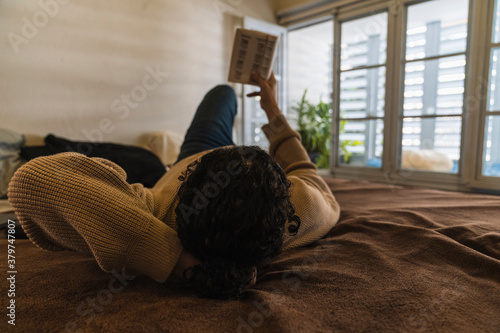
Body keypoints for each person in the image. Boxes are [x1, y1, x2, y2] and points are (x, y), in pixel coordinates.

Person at [8, 72, 340, 299]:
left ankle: (176, 163)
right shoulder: (301, 208)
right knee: (225, 93)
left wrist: (181, 265)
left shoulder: (155, 212)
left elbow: (31, 182)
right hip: (228, 161)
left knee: (222, 93)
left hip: (199, 148)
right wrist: (272, 108)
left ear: (186, 188)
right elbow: (302, 165)